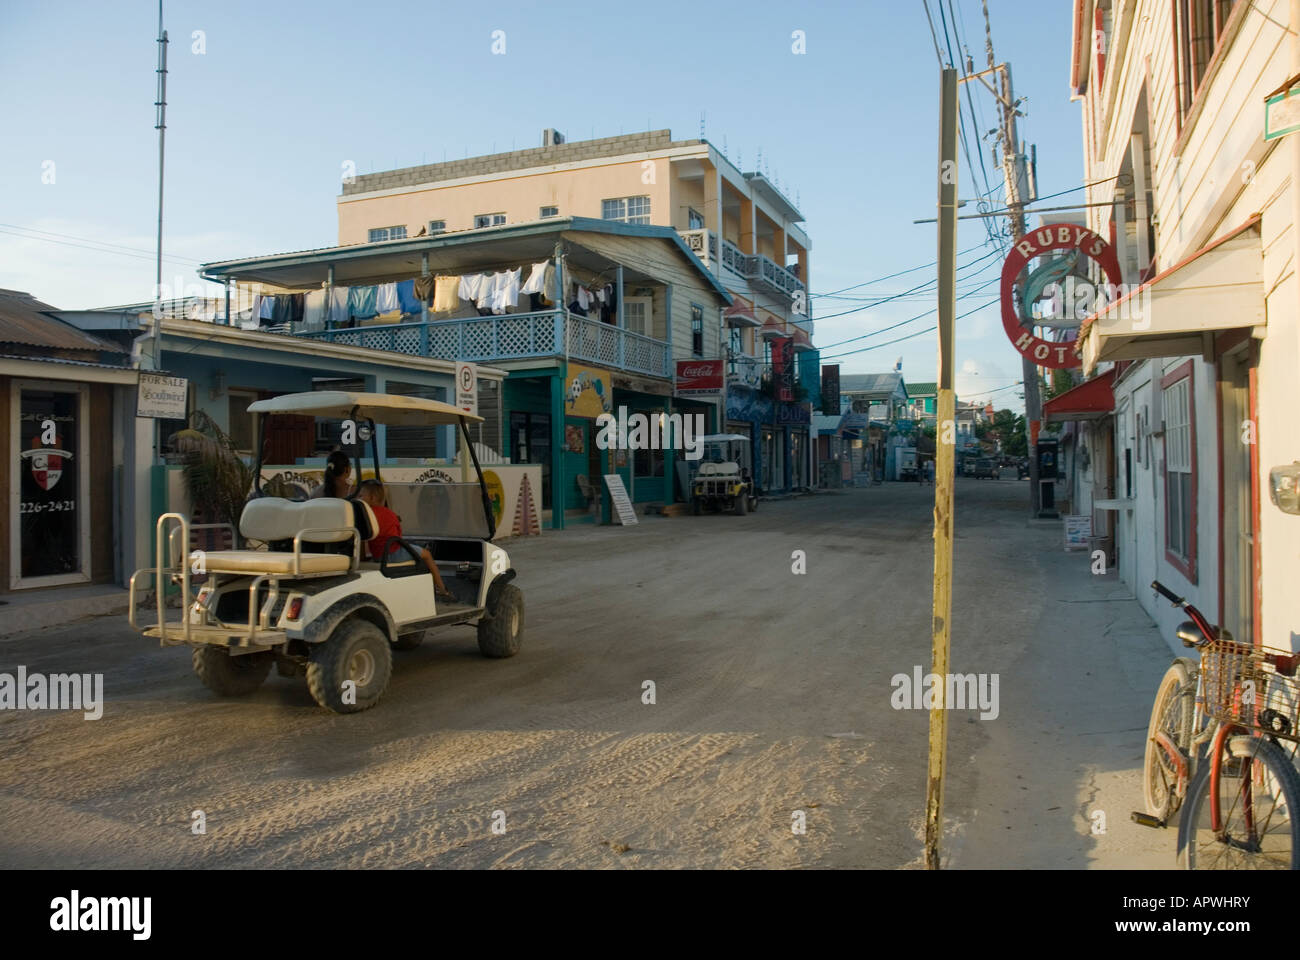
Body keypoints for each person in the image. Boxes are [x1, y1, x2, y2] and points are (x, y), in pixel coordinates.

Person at [356, 479, 455, 602]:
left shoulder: (364, 516)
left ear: (372, 497)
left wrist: (362, 559)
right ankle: (442, 589)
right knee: (427, 554)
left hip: (378, 556)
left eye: (360, 495)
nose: (358, 498)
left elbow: (362, 538)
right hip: (393, 553)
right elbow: (398, 535)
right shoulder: (389, 514)